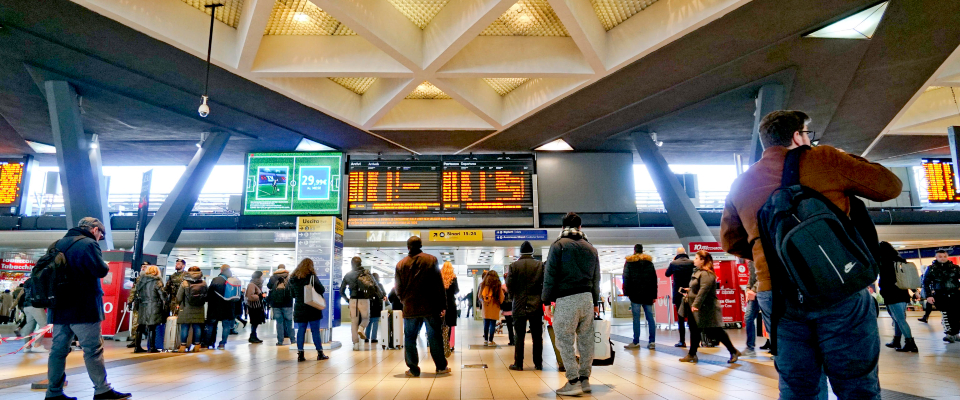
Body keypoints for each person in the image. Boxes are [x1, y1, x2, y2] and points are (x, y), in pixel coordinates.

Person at [721, 110, 902, 399]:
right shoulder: (824, 158)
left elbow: (731, 242)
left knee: (797, 386)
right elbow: (890, 186)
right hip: (838, 285)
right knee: (856, 384)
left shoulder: (742, 182)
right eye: (807, 134)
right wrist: (846, 157)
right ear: (797, 135)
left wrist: (774, 255)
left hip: (777, 294)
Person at [46, 217, 130, 400]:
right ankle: (102, 390)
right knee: (93, 350)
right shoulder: (88, 244)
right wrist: (105, 265)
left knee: (58, 351)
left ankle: (53, 393)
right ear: (94, 229)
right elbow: (100, 270)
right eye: (101, 233)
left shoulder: (56, 244)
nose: (100, 237)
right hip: (83, 307)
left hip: (58, 308)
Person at [542, 212, 600, 396]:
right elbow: (596, 278)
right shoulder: (591, 248)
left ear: (563, 227)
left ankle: (573, 380)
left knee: (564, 340)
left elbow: (550, 276)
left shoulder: (559, 245)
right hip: (587, 299)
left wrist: (546, 300)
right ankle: (585, 380)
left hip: (567, 299)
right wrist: (596, 301)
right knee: (586, 340)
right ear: (580, 227)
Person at [394, 236, 450, 377]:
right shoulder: (431, 260)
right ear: (421, 245)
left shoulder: (401, 264)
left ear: (408, 247)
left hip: (410, 307)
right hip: (430, 306)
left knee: (410, 338)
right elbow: (438, 285)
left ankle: (413, 369)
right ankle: (441, 367)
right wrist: (443, 304)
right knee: (434, 337)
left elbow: (398, 288)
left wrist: (404, 300)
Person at [678, 250, 741, 364]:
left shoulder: (707, 274)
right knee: (694, 330)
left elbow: (704, 291)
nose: (694, 260)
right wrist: (690, 290)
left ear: (702, 260)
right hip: (695, 306)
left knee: (715, 330)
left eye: (697, 258)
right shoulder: (699, 272)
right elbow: (698, 288)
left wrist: (696, 304)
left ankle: (733, 351)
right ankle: (692, 354)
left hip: (705, 308)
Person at [506, 241, 544, 371]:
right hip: (536, 304)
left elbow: (509, 285)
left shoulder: (514, 266)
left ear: (520, 252)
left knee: (519, 335)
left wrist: (514, 297)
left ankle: (519, 363)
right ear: (532, 252)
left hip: (519, 304)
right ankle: (538, 363)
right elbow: (544, 284)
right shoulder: (540, 265)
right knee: (537, 336)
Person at [877, 242, 918, 353]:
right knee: (897, 319)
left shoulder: (883, 262)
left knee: (900, 319)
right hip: (903, 293)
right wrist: (914, 290)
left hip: (891, 294)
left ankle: (911, 344)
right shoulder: (900, 260)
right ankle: (896, 341)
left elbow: (885, 280)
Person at [288, 258, 329, 362]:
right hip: (312, 307)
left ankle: (300, 355)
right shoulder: (312, 277)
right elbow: (321, 289)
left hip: (299, 308)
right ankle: (320, 353)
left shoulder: (292, 279)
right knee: (315, 331)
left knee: (301, 330)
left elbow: (292, 294)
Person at [623, 244, 657, 350]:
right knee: (650, 318)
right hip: (647, 295)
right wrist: (654, 295)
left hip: (635, 294)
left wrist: (627, 293)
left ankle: (636, 342)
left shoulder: (629, 262)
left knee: (636, 319)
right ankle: (652, 342)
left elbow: (626, 278)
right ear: (643, 251)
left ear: (634, 251)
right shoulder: (649, 263)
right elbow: (654, 279)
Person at [923, 250, 960, 343]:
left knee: (956, 315)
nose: (942, 258)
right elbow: (925, 283)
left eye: (944, 256)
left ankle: (955, 333)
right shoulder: (931, 269)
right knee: (946, 314)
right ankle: (949, 334)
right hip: (940, 295)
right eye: (940, 256)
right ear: (936, 257)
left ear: (947, 256)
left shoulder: (955, 268)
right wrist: (928, 296)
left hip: (955, 294)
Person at [132, 266, 167, 353]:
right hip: (154, 305)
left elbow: (135, 292)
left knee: (140, 326)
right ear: (156, 272)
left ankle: (137, 347)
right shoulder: (157, 281)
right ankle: (151, 347)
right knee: (152, 326)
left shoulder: (140, 280)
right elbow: (162, 295)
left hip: (142, 305)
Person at [665, 247, 694, 348]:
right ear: (685, 253)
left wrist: (673, 261)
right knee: (692, 318)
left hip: (678, 293)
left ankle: (682, 341)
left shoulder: (674, 263)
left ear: (676, 254)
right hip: (690, 293)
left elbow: (667, 274)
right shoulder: (692, 262)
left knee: (680, 318)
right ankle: (695, 341)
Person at [341, 256, 372, 351]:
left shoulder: (348, 275)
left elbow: (341, 290)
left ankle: (355, 344)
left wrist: (347, 300)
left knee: (354, 322)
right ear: (360, 263)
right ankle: (361, 328)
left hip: (353, 300)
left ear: (351, 264)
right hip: (364, 300)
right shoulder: (365, 273)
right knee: (366, 318)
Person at [205, 264, 237, 350]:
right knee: (226, 326)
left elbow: (209, 294)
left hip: (215, 307)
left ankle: (208, 343)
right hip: (228, 307)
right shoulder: (232, 281)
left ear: (221, 270)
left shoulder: (216, 280)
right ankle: (222, 344)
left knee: (211, 324)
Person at [742, 261, 769, 357]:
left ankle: (776, 349)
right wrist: (748, 289)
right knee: (748, 317)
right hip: (755, 293)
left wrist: (753, 290)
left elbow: (764, 275)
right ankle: (750, 347)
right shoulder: (751, 260)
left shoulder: (760, 255)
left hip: (766, 291)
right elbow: (752, 277)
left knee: (769, 319)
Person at [175, 266, 206, 353]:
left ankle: (183, 346)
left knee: (185, 327)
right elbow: (206, 296)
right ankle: (197, 346)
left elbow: (179, 297)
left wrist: (177, 303)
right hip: (199, 308)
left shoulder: (184, 283)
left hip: (186, 308)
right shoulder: (203, 283)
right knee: (197, 326)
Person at [267, 264, 294, 346]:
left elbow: (269, 286)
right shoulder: (289, 277)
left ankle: (280, 341)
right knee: (289, 322)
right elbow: (292, 288)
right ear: (284, 269)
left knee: (279, 322)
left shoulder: (273, 277)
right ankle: (293, 339)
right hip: (287, 303)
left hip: (276, 303)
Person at [20, 276, 48, 353]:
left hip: (27, 305)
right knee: (44, 324)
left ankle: (27, 346)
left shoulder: (28, 281)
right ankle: (37, 345)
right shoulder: (39, 280)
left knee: (29, 326)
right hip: (36, 305)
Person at [480, 271, 505, 346]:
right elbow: (501, 297)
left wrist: (483, 302)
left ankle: (485, 340)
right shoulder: (497, 285)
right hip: (494, 306)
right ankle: (491, 340)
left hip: (486, 306)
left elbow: (479, 296)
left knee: (486, 323)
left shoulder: (483, 284)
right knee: (492, 324)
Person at [440, 262, 459, 353]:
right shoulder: (453, 278)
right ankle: (450, 344)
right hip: (451, 304)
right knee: (450, 325)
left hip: (440, 303)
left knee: (441, 324)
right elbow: (456, 291)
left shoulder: (439, 278)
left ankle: (441, 344)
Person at [245, 271, 266, 344]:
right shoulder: (252, 284)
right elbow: (250, 296)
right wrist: (260, 296)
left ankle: (254, 335)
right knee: (254, 322)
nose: (262, 278)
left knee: (256, 322)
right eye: (261, 276)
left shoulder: (257, 285)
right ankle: (252, 336)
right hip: (254, 307)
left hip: (257, 306)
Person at [364, 273, 385, 344]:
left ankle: (366, 337)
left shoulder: (367, 285)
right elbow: (383, 294)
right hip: (377, 306)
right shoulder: (379, 285)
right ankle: (373, 338)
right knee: (375, 322)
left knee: (368, 322)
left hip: (368, 306)